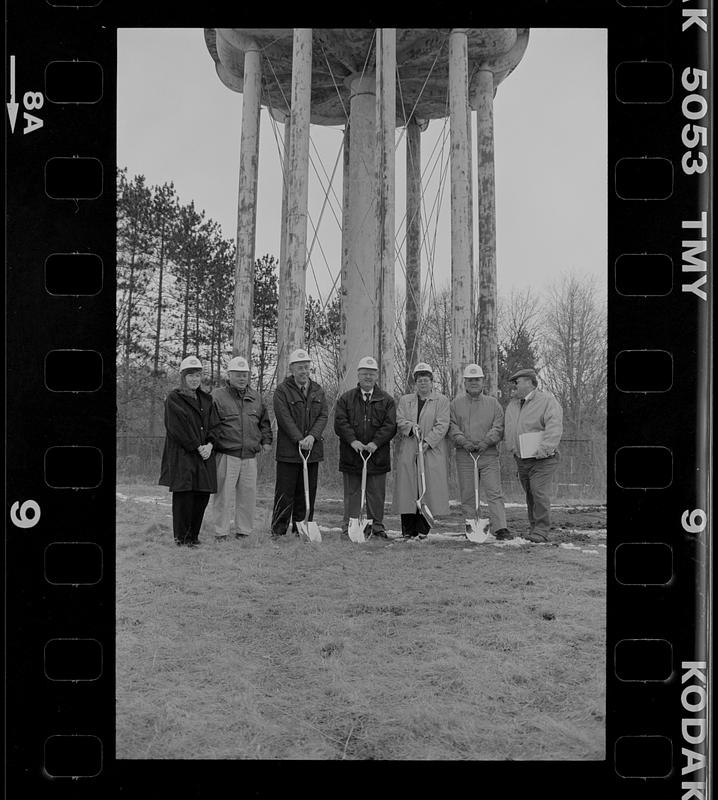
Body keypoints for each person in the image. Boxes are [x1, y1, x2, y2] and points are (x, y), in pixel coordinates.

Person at [209, 355, 272, 541]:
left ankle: (243, 531)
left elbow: (264, 423)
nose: (242, 378)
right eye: (238, 374)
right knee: (223, 495)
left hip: (249, 456)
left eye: (245, 374)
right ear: (229, 375)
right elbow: (211, 425)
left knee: (247, 496)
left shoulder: (256, 398)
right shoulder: (217, 396)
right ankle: (220, 532)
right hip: (227, 454)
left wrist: (266, 441)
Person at [159, 355, 220, 548]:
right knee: (184, 496)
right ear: (183, 377)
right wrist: (197, 446)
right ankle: (181, 538)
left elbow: (215, 426)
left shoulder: (207, 400)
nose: (194, 379)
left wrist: (210, 445)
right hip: (184, 455)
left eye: (198, 375)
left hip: (205, 455)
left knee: (201, 496)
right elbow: (176, 428)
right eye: (190, 375)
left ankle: (193, 536)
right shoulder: (174, 399)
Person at [334, 356, 397, 539]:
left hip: (377, 455)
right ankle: (350, 526)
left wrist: (375, 443)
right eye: (364, 374)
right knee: (352, 493)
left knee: (376, 494)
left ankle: (376, 527)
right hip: (352, 454)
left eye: (371, 374)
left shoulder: (387, 400)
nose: (368, 377)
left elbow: (390, 425)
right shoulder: (346, 399)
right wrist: (353, 441)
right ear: (358, 375)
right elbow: (340, 423)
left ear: (376, 376)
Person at [270, 348, 329, 540]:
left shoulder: (318, 390)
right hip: (289, 451)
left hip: (312, 451)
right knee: (285, 493)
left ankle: (301, 529)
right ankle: (278, 530)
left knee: (307, 493)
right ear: (292, 369)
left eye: (306, 367)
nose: (304, 371)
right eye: (300, 368)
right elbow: (284, 417)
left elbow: (323, 415)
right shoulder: (282, 391)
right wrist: (299, 439)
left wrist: (312, 437)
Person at [449, 364, 512, 540]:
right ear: (465, 383)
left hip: (488, 454)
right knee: (468, 493)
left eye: (477, 379)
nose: (474, 383)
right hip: (465, 454)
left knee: (494, 491)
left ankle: (500, 528)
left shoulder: (493, 404)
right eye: (470, 380)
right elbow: (452, 426)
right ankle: (472, 524)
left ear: (482, 381)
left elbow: (498, 426)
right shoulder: (456, 404)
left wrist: (486, 441)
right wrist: (463, 441)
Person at [503, 367, 564, 542]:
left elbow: (554, 426)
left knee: (538, 491)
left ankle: (541, 530)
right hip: (522, 459)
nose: (514, 385)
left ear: (530, 382)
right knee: (530, 493)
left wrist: (545, 448)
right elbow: (510, 429)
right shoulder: (513, 405)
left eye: (517, 382)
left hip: (544, 458)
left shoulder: (547, 401)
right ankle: (534, 528)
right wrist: (512, 447)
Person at [393, 362, 450, 539]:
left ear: (432, 382)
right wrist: (411, 428)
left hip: (430, 451)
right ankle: (408, 529)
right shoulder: (405, 400)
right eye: (419, 380)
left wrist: (427, 442)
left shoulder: (441, 401)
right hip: (410, 447)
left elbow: (442, 424)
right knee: (408, 489)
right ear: (415, 383)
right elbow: (399, 419)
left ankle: (423, 529)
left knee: (427, 488)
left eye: (426, 380)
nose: (422, 383)